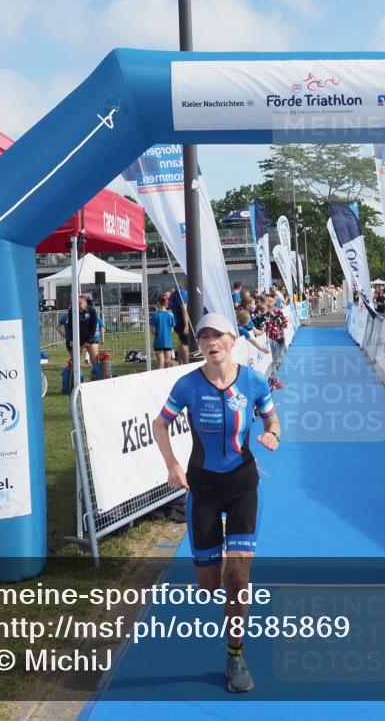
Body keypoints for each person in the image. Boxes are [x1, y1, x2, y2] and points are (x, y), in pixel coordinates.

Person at [151, 312, 281, 694]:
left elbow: (273, 422)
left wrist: (272, 436)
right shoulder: (188, 385)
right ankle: (219, 565)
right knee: (209, 586)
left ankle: (235, 654)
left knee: (238, 579)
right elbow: (160, 424)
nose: (210, 343)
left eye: (217, 336)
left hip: (242, 484)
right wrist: (172, 465)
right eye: (204, 336)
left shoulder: (255, 382)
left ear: (231, 340)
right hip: (203, 487)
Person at [150, 295, 176, 368]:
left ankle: (159, 378)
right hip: (167, 342)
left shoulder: (155, 315)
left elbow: (153, 331)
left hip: (158, 342)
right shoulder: (171, 315)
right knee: (167, 363)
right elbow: (171, 330)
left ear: (158, 303)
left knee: (160, 363)